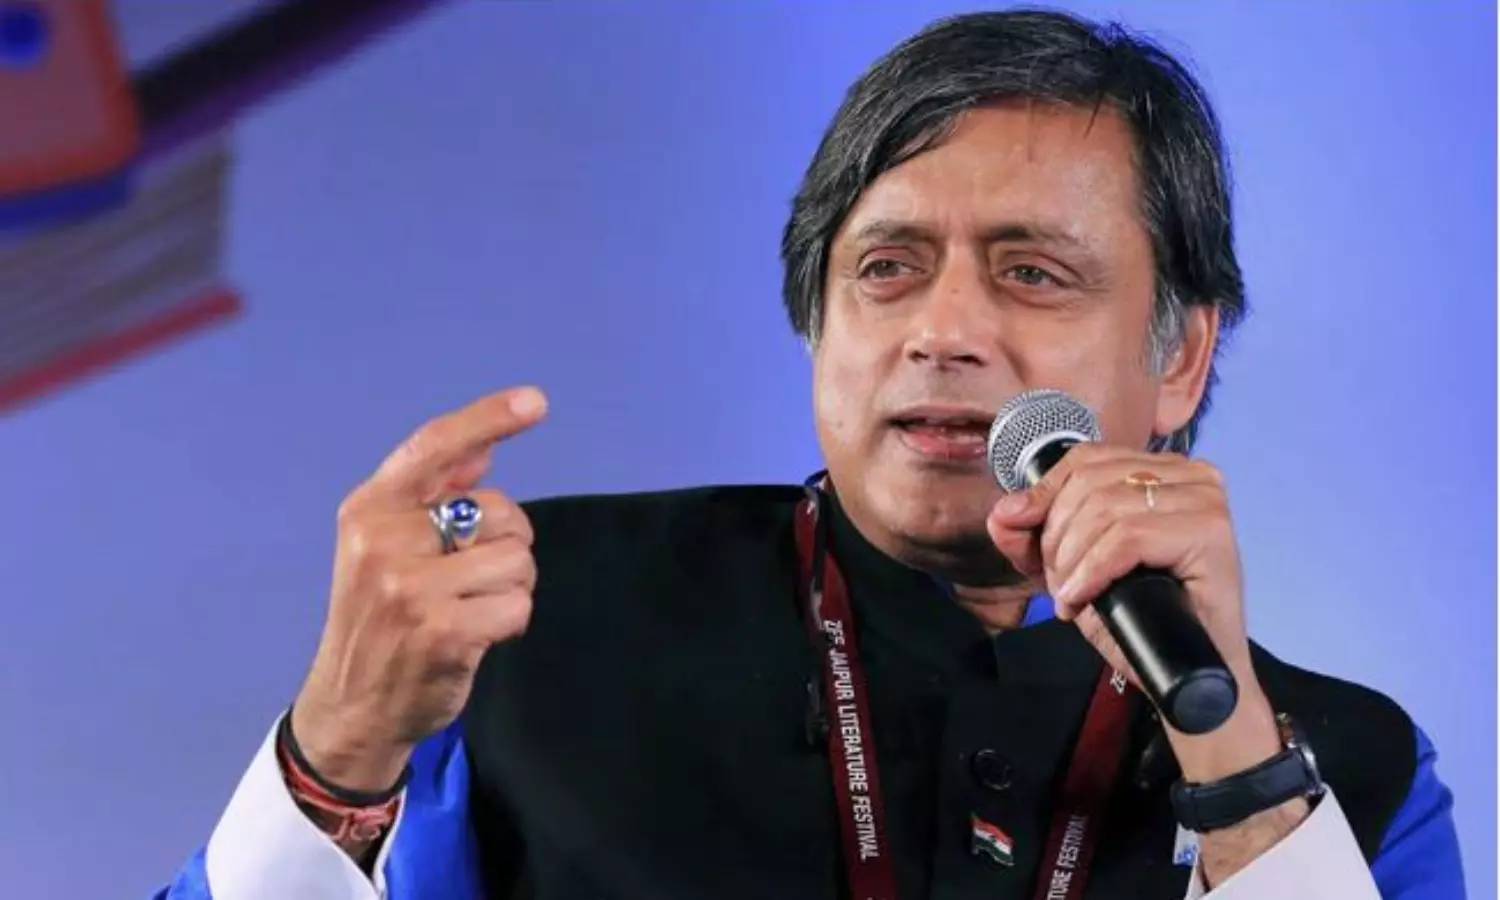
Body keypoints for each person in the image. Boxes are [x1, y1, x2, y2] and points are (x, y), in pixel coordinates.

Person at [157, 9, 1464, 900]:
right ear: (816, 324)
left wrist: (1239, 771)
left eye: (1032, 272)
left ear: (1180, 354)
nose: (944, 331)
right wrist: (337, 749)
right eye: (888, 268)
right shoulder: (532, 621)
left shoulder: (1359, 770)